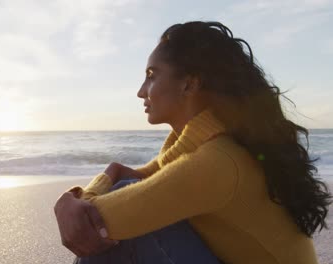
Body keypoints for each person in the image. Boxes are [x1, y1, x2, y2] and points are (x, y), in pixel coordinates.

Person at [54, 21, 332, 263]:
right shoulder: (205, 144)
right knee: (127, 188)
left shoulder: (216, 162)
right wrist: (108, 175)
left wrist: (73, 201)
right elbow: (144, 177)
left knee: (128, 219)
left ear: (188, 84)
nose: (141, 92)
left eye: (151, 76)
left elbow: (93, 223)